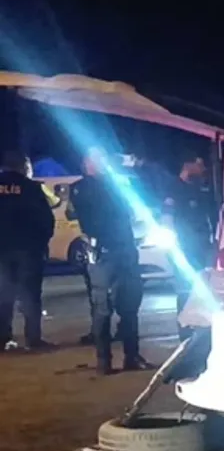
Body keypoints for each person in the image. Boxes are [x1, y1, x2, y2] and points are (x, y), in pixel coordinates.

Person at [71, 147, 150, 374]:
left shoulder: (117, 184)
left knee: (130, 305)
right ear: (87, 163)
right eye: (98, 159)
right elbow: (92, 217)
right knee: (103, 308)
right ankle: (104, 360)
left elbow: (134, 207)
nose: (103, 162)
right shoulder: (83, 188)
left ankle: (131, 357)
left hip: (124, 250)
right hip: (104, 253)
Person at [0, 149, 56, 351]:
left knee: (2, 296)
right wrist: (40, 244)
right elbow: (46, 220)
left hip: (1, 252)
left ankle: (2, 338)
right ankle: (33, 340)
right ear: (23, 166)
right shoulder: (32, 188)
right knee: (30, 296)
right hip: (28, 251)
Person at [163, 153, 216, 338]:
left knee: (202, 292)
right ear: (188, 165)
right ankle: (185, 335)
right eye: (199, 164)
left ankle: (199, 333)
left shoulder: (199, 189)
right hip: (184, 250)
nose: (202, 169)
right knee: (185, 292)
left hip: (202, 249)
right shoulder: (174, 189)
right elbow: (167, 220)